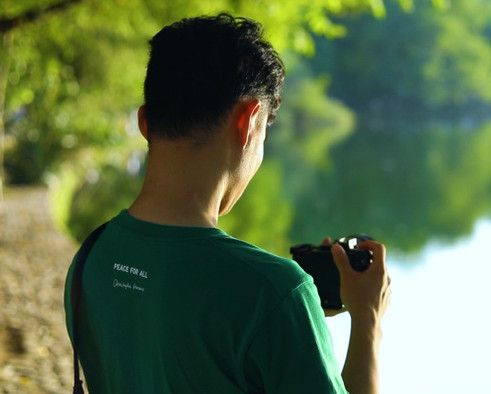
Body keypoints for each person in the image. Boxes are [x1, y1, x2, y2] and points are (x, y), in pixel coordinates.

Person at [63, 13, 391, 394]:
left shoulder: (91, 259)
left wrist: (288, 322)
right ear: (248, 121)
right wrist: (367, 322)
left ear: (145, 123)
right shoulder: (274, 294)